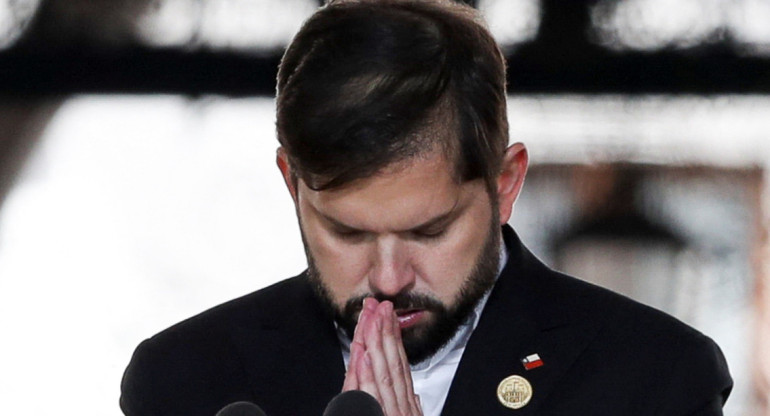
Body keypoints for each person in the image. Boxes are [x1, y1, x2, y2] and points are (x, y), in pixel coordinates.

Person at [120, 1, 733, 415]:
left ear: (507, 184)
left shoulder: (653, 379)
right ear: (291, 185)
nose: (388, 278)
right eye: (348, 232)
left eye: (430, 230)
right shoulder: (186, 383)